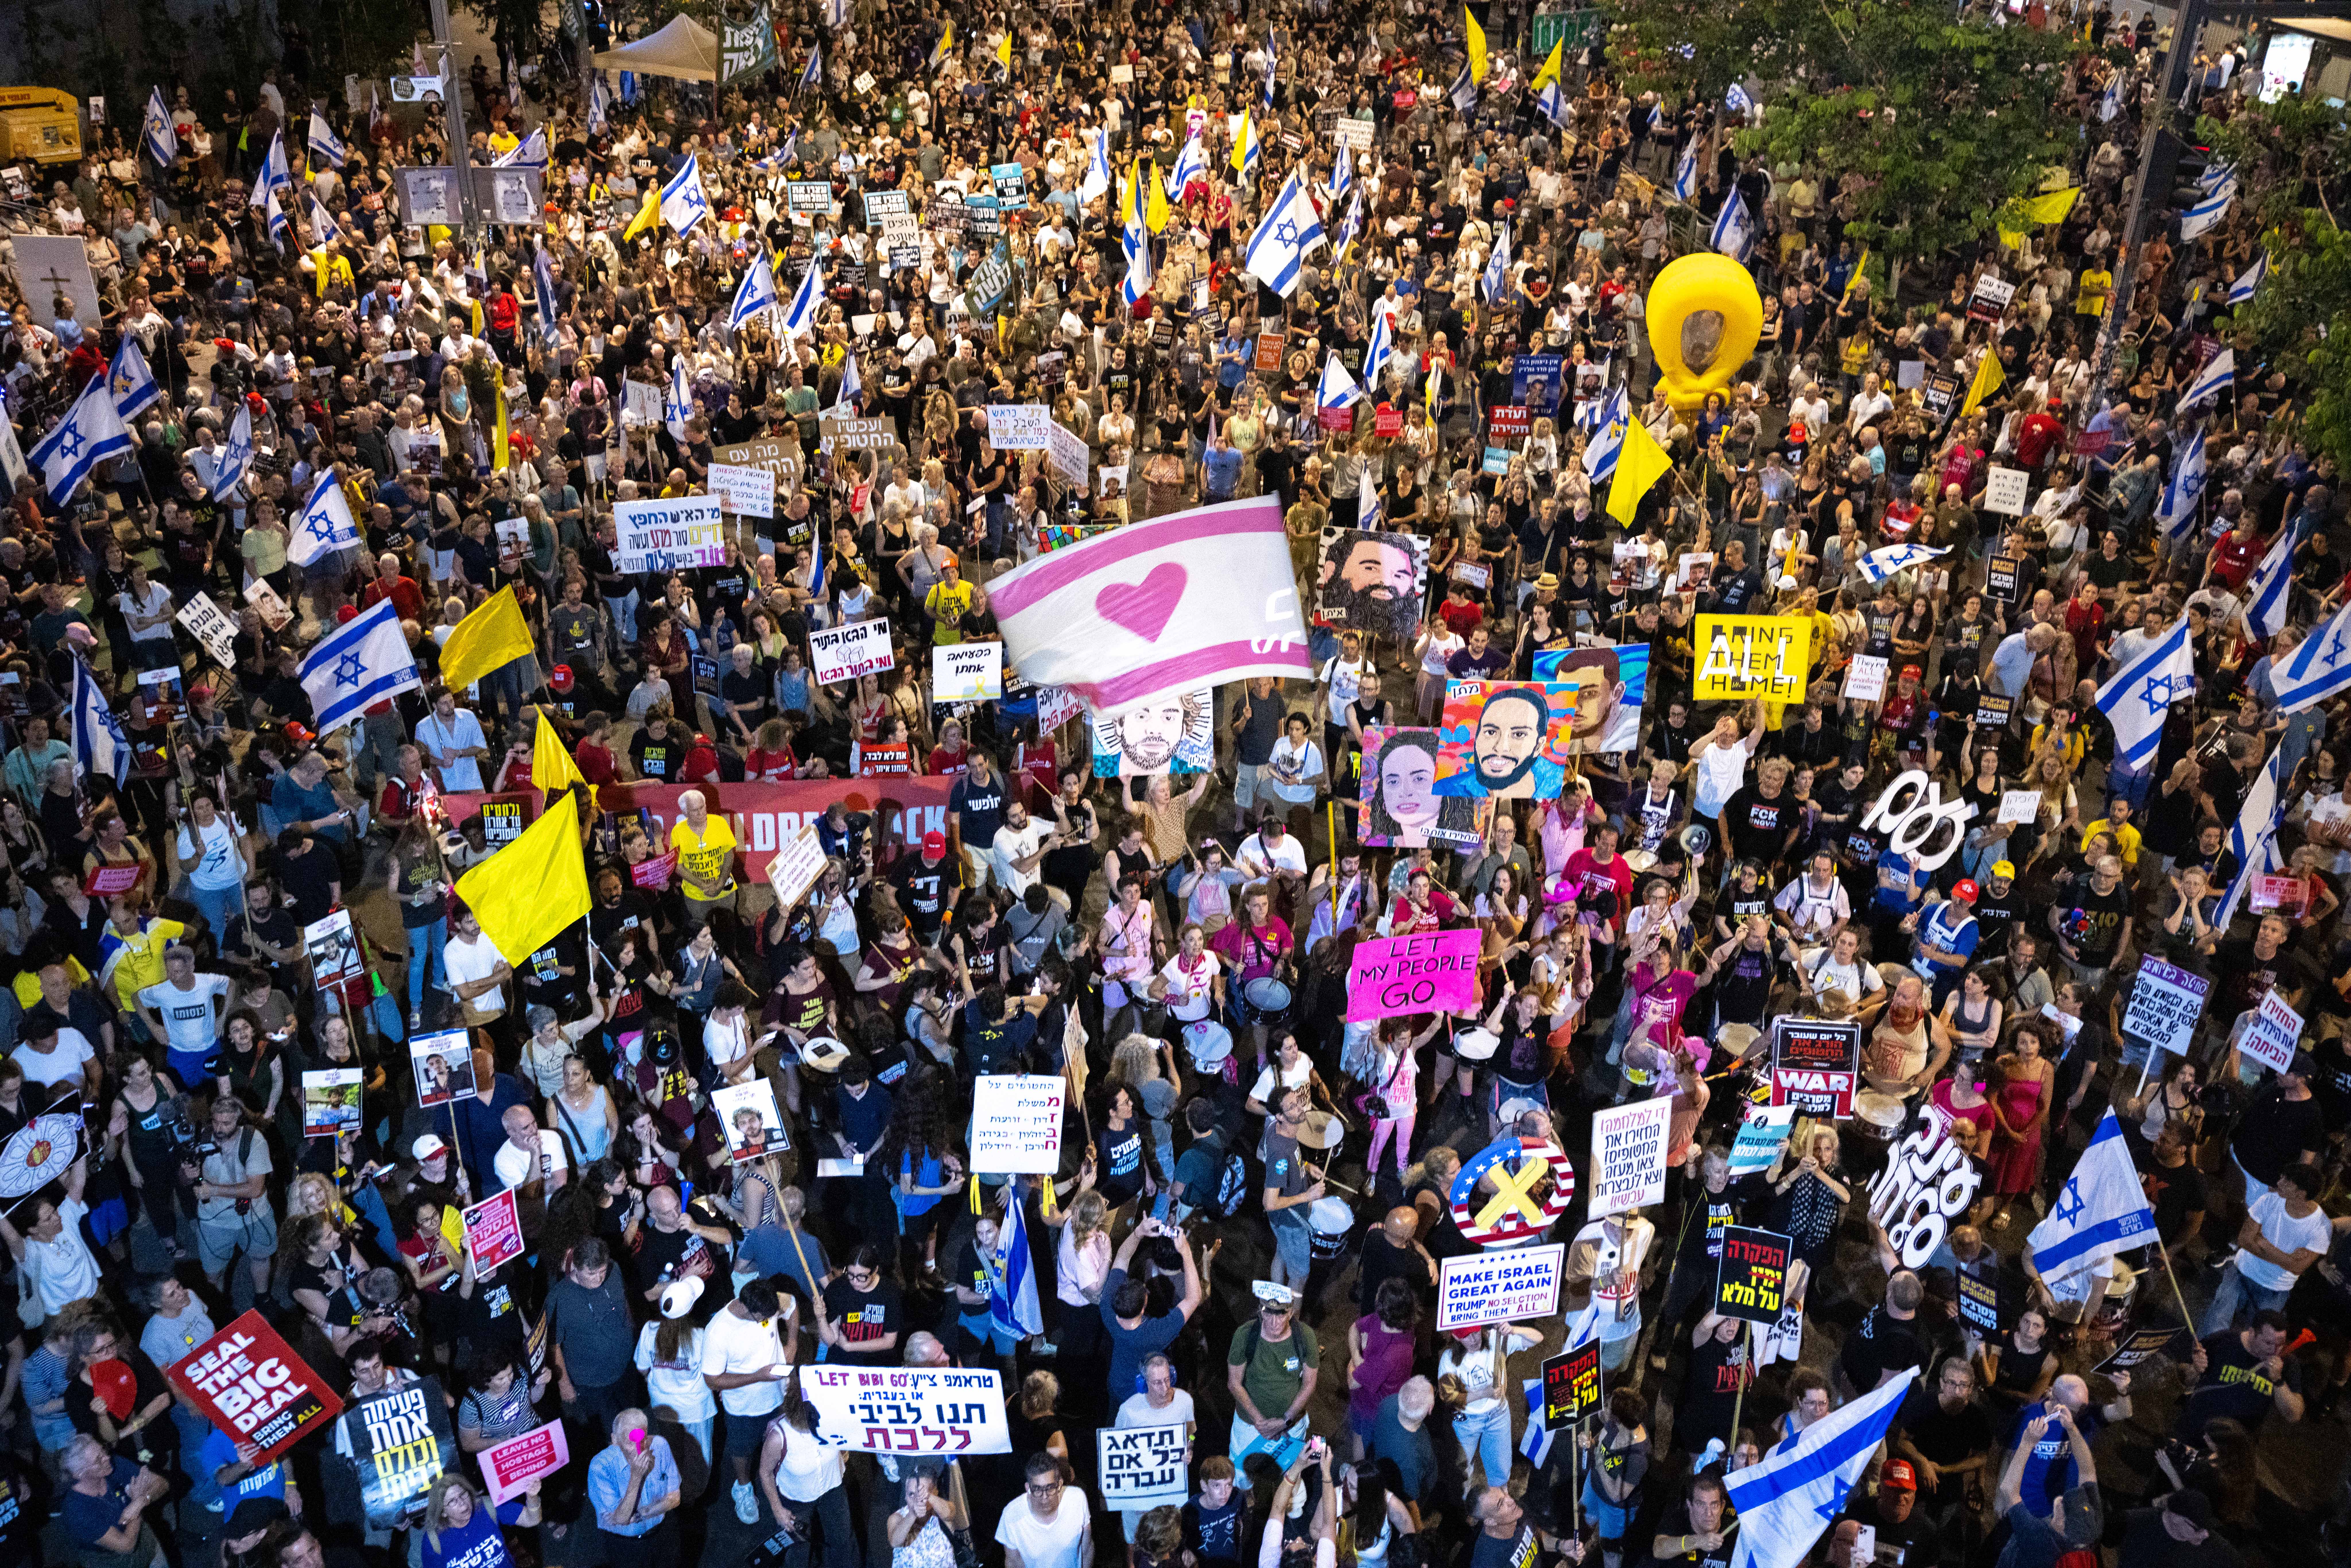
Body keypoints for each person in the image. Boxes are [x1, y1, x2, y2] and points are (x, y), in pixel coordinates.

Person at [997, 1451, 1092, 1568]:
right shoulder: (1012, 1514)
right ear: (1028, 1488)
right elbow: (1013, 1562)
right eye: (1038, 1489)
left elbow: (1087, 1549)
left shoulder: (1077, 1499)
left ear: (1060, 1485)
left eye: (1050, 1488)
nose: (1045, 1496)